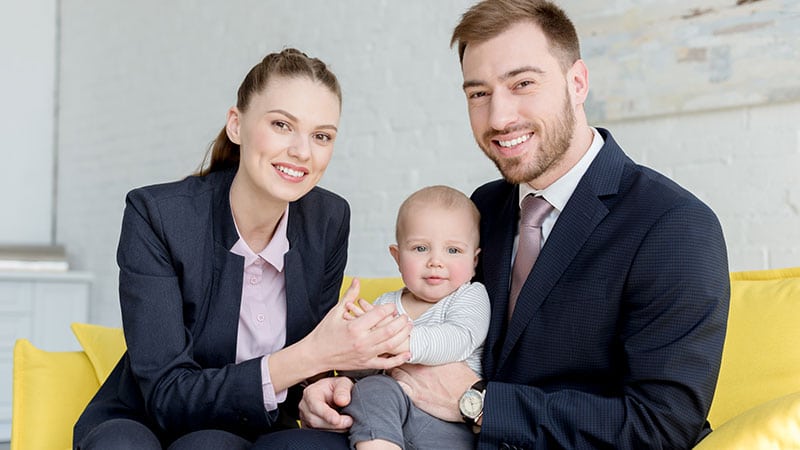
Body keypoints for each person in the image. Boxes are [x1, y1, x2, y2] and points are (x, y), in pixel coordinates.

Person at [292, 1, 730, 449]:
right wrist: (343, 387)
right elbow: (442, 330)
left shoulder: (674, 227)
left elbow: (661, 426)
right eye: (479, 93)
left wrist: (480, 402)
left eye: (522, 83)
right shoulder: (485, 207)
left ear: (576, 82)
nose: (499, 118)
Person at [73, 48, 413, 450]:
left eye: (321, 136)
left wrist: (318, 391)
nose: (302, 151)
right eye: (282, 125)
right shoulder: (157, 216)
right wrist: (314, 356)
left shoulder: (329, 218)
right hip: (146, 417)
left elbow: (310, 362)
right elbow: (167, 394)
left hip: (256, 421)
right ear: (236, 125)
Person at [341, 185, 491, 450]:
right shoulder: (385, 304)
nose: (435, 261)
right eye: (421, 248)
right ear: (397, 257)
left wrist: (396, 342)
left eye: (453, 251)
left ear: (474, 261)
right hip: (389, 420)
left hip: (448, 426)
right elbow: (362, 370)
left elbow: (460, 338)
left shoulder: (469, 296)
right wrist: (357, 348)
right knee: (370, 389)